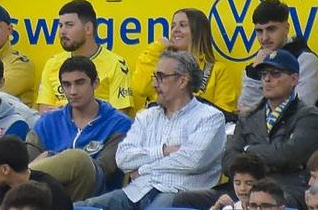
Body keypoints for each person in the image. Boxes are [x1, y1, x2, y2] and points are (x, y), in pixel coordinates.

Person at [73, 53, 226, 210]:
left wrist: (143, 168)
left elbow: (191, 161)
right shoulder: (146, 116)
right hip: (137, 191)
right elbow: (123, 158)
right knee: (78, 207)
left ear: (182, 81)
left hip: (178, 194)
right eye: (154, 77)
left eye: (160, 77)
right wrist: (162, 151)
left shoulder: (209, 117)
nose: (154, 84)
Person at [224, 53, 318, 201]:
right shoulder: (248, 116)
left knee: (265, 201)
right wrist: (267, 158)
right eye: (263, 74)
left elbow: (289, 155)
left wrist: (248, 151)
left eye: (275, 73)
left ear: (294, 79)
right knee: (188, 199)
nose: (267, 79)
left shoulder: (309, 115)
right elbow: (228, 161)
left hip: (287, 188)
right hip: (244, 188)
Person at [30, 58, 133, 200]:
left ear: (95, 83)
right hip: (45, 196)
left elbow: (102, 170)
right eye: (66, 85)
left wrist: (51, 156)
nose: (73, 91)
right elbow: (25, 162)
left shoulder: (120, 124)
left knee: (79, 159)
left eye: (80, 83)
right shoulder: (48, 122)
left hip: (95, 197)